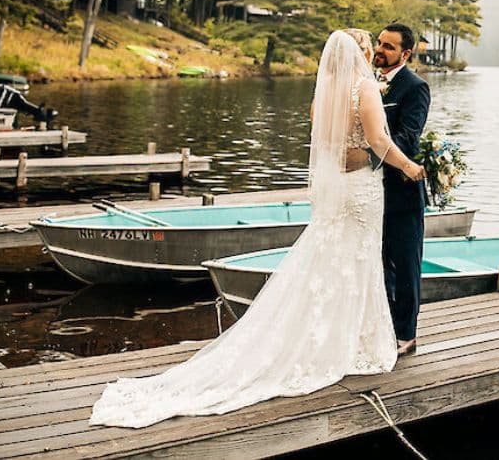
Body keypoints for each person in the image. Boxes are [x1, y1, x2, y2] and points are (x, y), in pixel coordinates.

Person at [88, 29, 426, 428]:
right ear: (361, 52)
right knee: (356, 261)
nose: (374, 52)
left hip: (341, 190)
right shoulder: (364, 87)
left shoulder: (326, 94)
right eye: (371, 46)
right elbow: (378, 139)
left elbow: (327, 142)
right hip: (361, 191)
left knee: (333, 260)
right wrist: (409, 166)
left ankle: (339, 337)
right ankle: (352, 341)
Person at [373, 23, 430, 356]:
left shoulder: (415, 87)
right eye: (379, 43)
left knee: (405, 267)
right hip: (368, 194)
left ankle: (406, 336)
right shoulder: (366, 83)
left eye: (389, 46)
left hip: (401, 196)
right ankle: (380, 328)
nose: (380, 50)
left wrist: (367, 151)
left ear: (405, 54)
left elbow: (408, 140)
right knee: (375, 266)